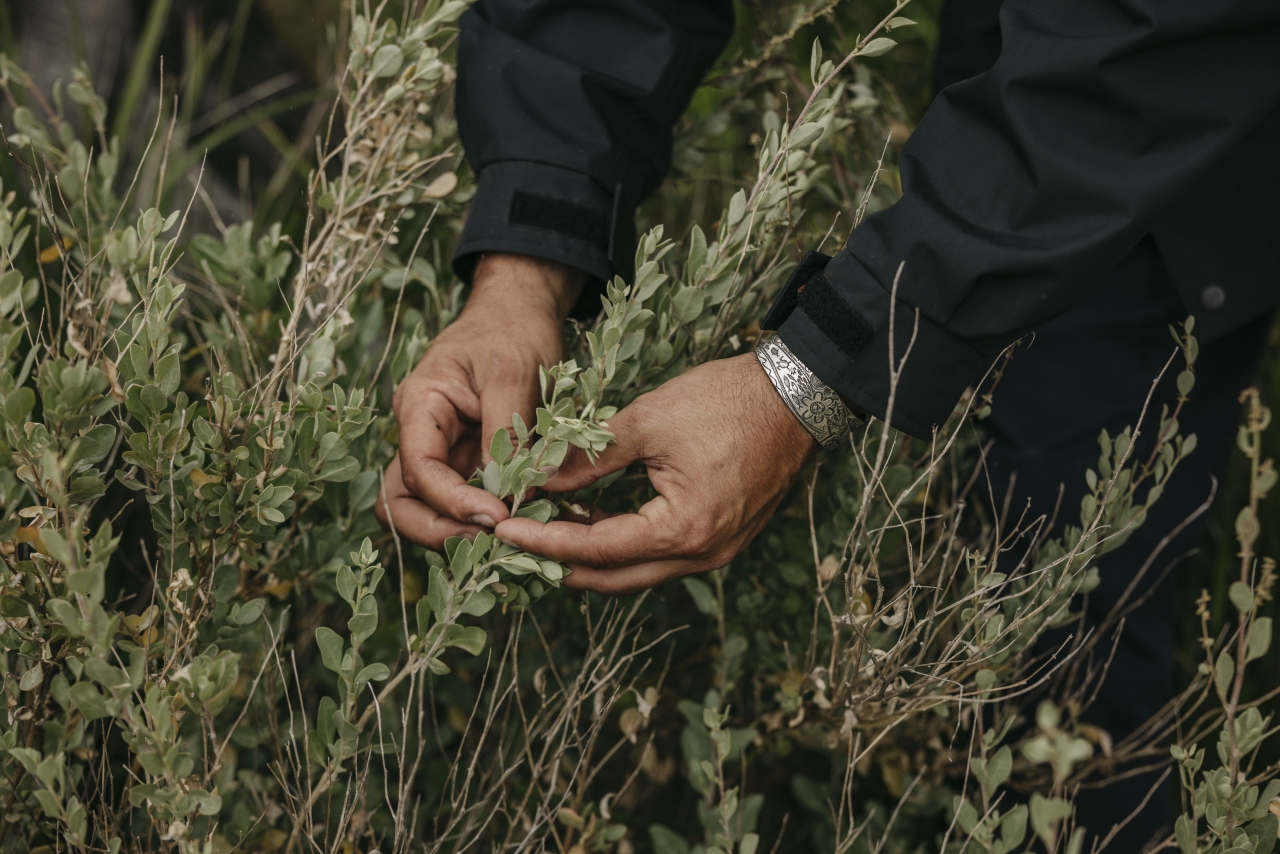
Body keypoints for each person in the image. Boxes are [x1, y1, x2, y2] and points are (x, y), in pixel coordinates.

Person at [376, 0, 1280, 849]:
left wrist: (808, 376)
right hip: (1042, 64)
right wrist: (525, 266)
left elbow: (1141, 47)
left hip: (1176, 115)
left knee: (1058, 648)